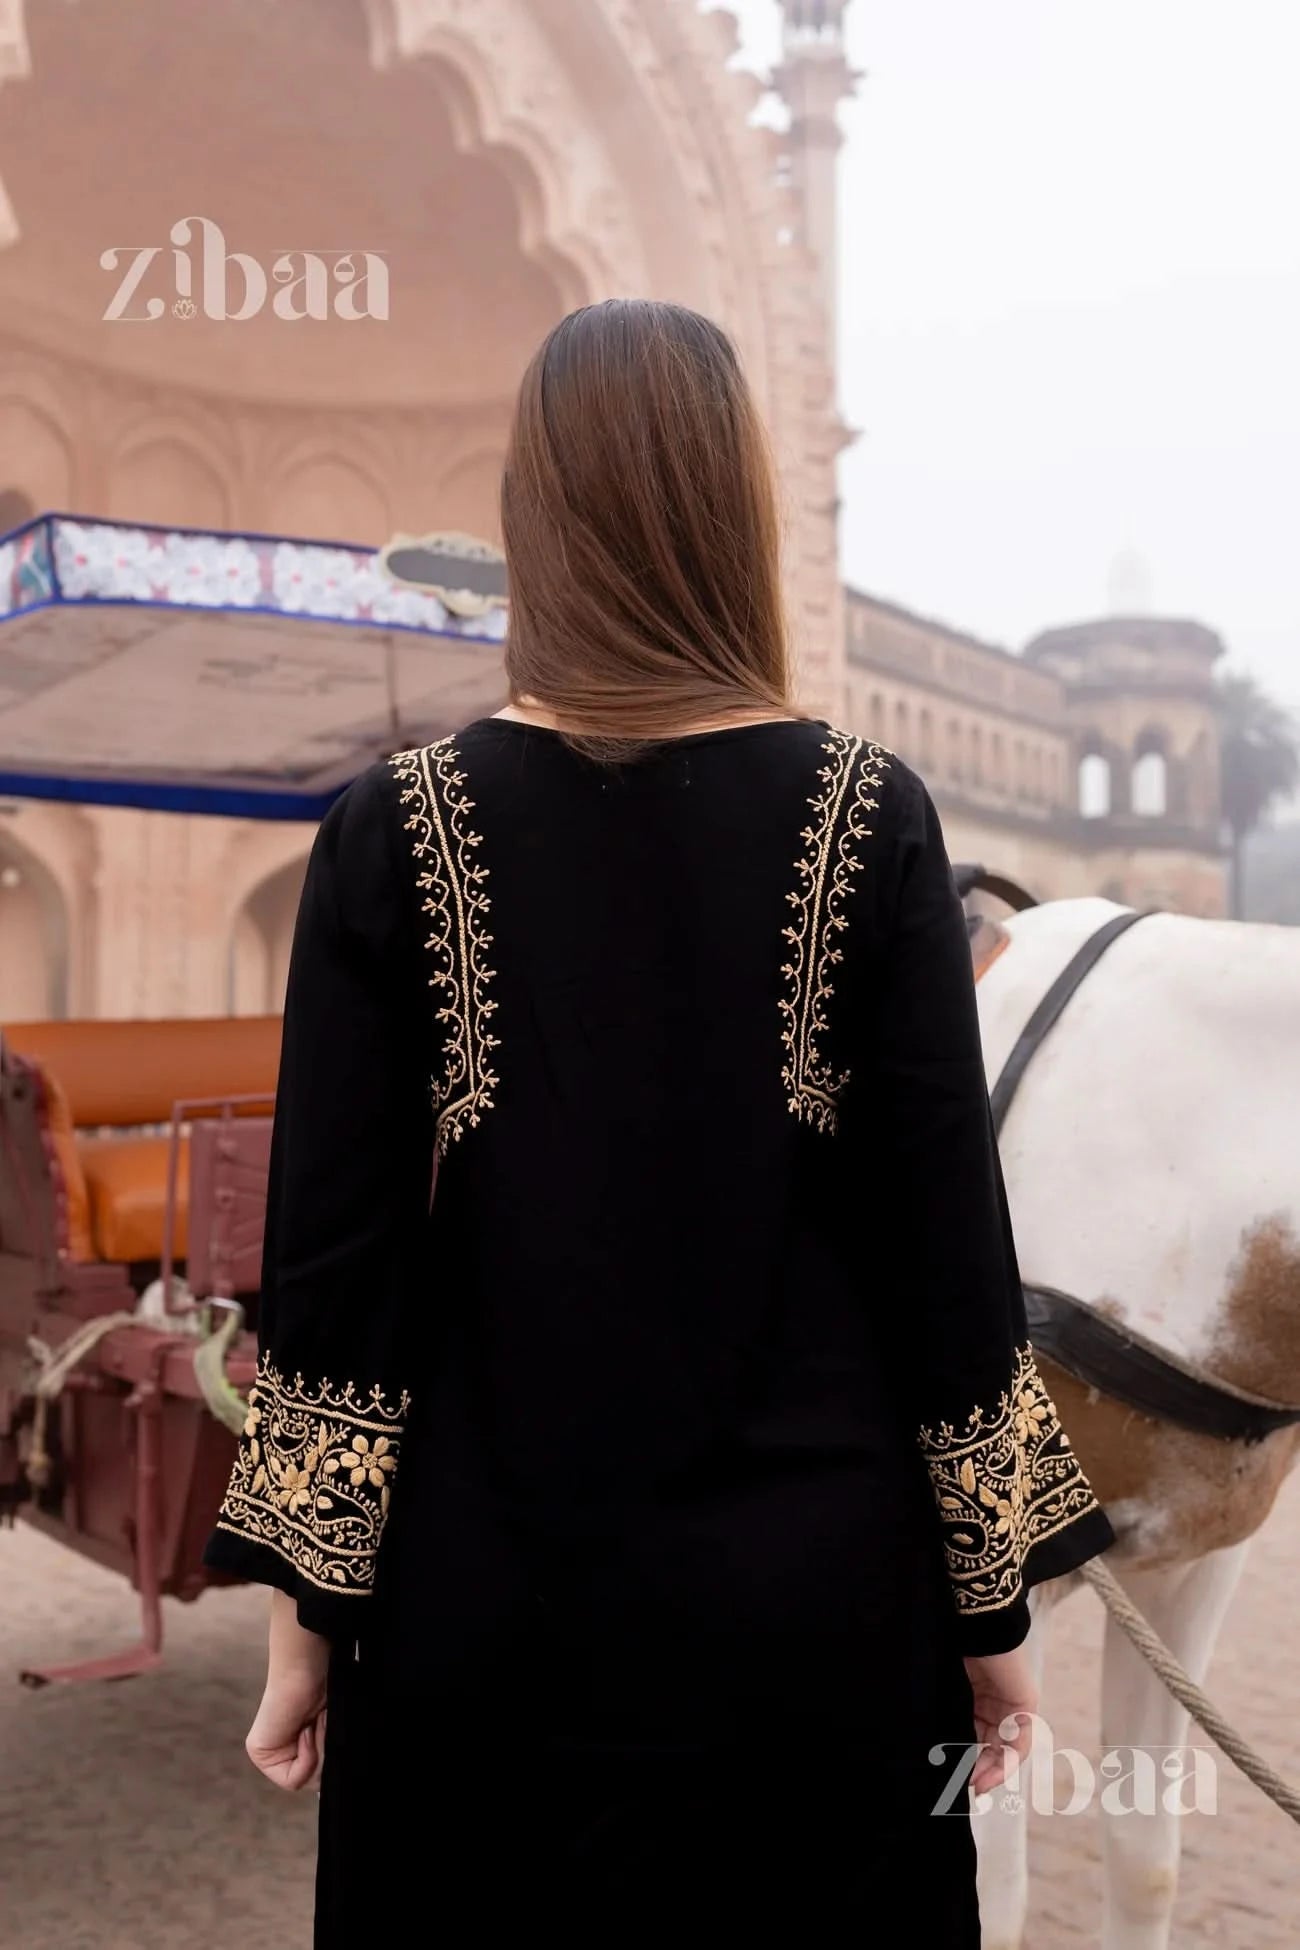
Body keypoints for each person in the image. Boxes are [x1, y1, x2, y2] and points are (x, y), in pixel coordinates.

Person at [205, 298, 1114, 1943]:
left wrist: (305, 1621)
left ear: (531, 520)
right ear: (735, 510)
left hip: (485, 1637)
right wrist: (993, 1619)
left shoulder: (385, 833)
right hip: (820, 1645)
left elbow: (336, 1272)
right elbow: (948, 1271)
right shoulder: (871, 818)